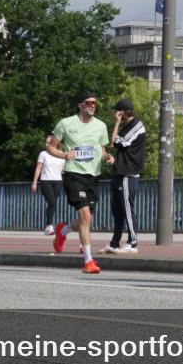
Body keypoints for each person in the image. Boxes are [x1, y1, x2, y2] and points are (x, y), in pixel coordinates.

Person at [47, 92, 113, 274]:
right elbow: (51, 146)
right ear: (80, 105)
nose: (92, 105)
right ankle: (88, 261)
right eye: (89, 103)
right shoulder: (66, 124)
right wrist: (63, 155)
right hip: (73, 174)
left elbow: (102, 149)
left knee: (87, 219)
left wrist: (107, 157)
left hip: (93, 176)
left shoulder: (101, 126)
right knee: (85, 216)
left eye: (95, 103)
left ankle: (63, 230)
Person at [101, 98, 146, 256]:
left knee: (127, 210)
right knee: (117, 210)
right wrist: (114, 160)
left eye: (117, 111)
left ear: (122, 112)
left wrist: (116, 123)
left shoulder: (137, 125)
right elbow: (125, 150)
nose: (115, 114)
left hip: (129, 174)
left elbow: (114, 142)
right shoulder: (130, 126)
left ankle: (133, 243)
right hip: (120, 172)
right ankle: (114, 243)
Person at [31, 135, 65, 236]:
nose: (47, 144)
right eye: (46, 142)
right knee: (52, 202)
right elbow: (38, 168)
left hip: (58, 181)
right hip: (46, 181)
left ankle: (48, 226)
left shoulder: (61, 154)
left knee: (52, 204)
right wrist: (34, 182)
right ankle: (49, 225)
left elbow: (64, 168)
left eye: (49, 142)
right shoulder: (43, 154)